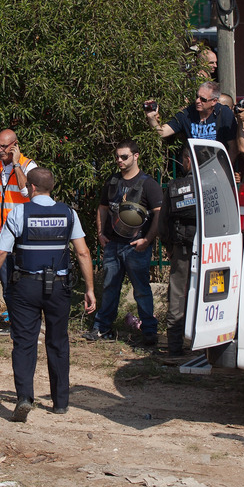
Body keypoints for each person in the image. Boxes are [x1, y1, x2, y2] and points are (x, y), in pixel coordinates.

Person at [0, 167, 96, 422]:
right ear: (50, 187)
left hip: (25, 286)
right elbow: (83, 252)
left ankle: (24, 397)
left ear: (31, 188)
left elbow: (1, 252)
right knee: (58, 341)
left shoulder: (19, 212)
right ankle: (61, 403)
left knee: (24, 342)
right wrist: (89, 289)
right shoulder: (68, 213)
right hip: (59, 286)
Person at [84, 138, 162, 344]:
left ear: (136, 156)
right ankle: (102, 328)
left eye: (124, 156)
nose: (119, 160)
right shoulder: (112, 181)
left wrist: (147, 239)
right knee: (109, 287)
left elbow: (158, 214)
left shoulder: (148, 184)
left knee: (142, 290)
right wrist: (101, 233)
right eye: (117, 156)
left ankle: (149, 331)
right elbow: (102, 208)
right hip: (113, 244)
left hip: (136, 247)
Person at [0, 128, 38, 335]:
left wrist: (15, 165)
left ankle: (28, 321)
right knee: (6, 282)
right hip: (0, 232)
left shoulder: (28, 165)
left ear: (15, 145)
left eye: (4, 146)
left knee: (25, 280)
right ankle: (16, 322)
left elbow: (27, 192)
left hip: (23, 233)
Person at [159, 152, 197, 357]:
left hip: (181, 249)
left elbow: (163, 222)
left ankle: (174, 345)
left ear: (188, 161)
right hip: (211, 251)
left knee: (178, 294)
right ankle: (204, 346)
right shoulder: (213, 186)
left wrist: (169, 246)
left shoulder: (175, 187)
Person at [146, 81, 238, 162]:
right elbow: (162, 132)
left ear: (214, 101)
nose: (197, 101)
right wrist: (151, 117)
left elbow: (233, 148)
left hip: (217, 164)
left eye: (203, 99)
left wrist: (224, 171)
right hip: (194, 168)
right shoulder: (186, 114)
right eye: (197, 96)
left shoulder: (224, 113)